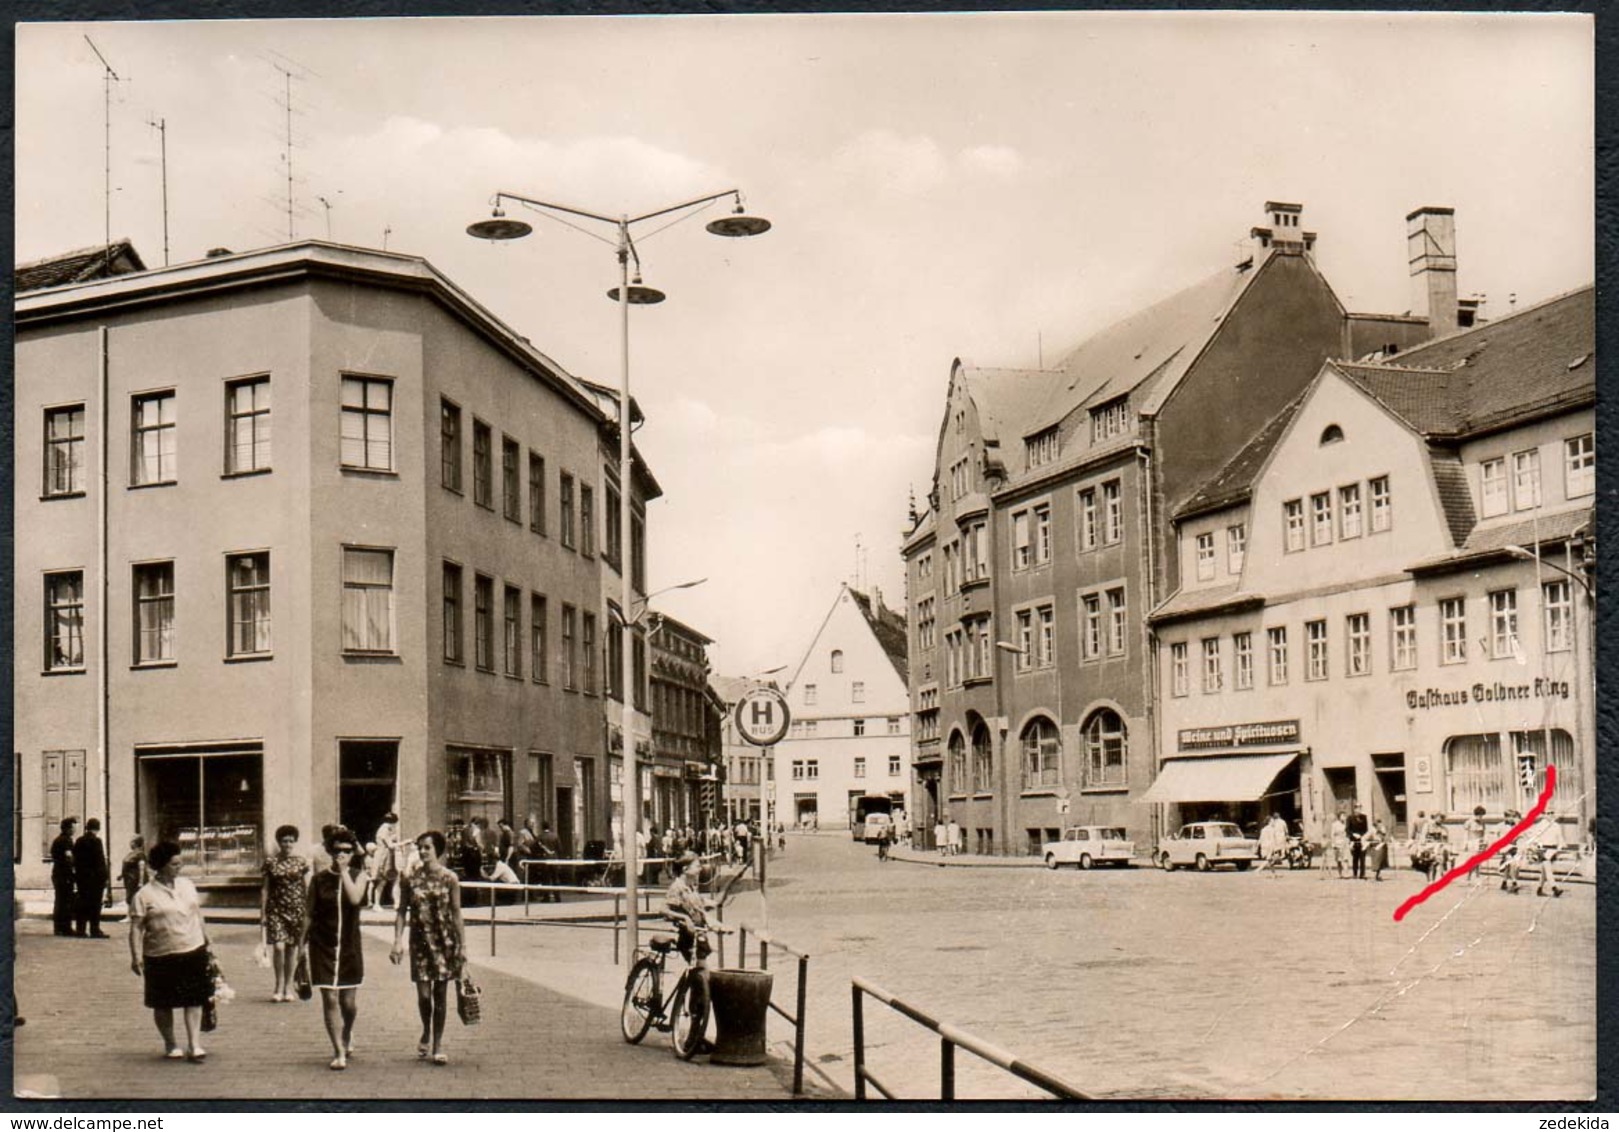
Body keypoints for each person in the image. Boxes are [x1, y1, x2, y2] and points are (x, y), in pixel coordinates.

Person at [128, 839, 211, 1061]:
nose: (179, 867)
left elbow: (197, 914)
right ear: (161, 866)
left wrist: (206, 940)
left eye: (180, 863)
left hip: (193, 948)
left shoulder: (187, 885)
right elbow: (136, 928)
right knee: (163, 1002)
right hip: (160, 954)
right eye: (174, 864)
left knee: (194, 998)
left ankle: (194, 1044)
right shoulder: (144, 895)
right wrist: (136, 956)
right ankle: (171, 1043)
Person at [392, 830, 467, 1066]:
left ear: (438, 850)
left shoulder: (450, 878)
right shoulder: (410, 878)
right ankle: (426, 1028)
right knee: (424, 996)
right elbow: (402, 911)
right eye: (420, 847)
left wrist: (463, 946)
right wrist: (397, 941)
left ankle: (438, 1044)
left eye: (427, 847)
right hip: (420, 942)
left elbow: (456, 913)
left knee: (441, 995)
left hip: (445, 942)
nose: (423, 851)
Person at [304, 826, 369, 1070]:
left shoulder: (359, 875)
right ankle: (338, 1051)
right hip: (322, 945)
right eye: (338, 850)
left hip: (349, 946)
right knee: (330, 998)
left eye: (348, 851)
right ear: (330, 852)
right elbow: (309, 914)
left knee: (348, 1004)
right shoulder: (319, 879)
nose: (342, 854)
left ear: (353, 853)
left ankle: (347, 1031)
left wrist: (343, 873)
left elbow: (354, 899)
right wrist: (301, 945)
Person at [260, 824, 310, 1003]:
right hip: (276, 910)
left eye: (290, 841)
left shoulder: (301, 862)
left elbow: (305, 887)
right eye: (284, 841)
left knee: (291, 949)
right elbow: (265, 889)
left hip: (297, 910)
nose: (287, 844)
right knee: (279, 947)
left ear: (294, 842)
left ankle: (288, 987)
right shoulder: (271, 862)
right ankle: (278, 985)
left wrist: (308, 911)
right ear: (279, 842)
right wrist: (263, 913)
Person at [73, 818, 110, 938]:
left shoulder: (79, 841)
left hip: (82, 878)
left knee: (82, 903)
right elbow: (100, 861)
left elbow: (76, 860)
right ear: (97, 828)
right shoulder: (96, 841)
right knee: (95, 905)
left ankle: (81, 930)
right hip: (95, 879)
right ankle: (95, 929)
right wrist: (105, 877)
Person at [50, 818, 77, 937]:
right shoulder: (66, 841)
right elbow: (69, 857)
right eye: (73, 827)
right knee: (66, 901)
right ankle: (66, 927)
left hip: (57, 873)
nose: (74, 830)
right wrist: (74, 868)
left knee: (59, 900)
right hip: (64, 874)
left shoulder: (57, 840)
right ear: (67, 828)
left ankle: (58, 927)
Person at [374, 813, 402, 910]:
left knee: (394, 879)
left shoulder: (385, 829)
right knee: (383, 880)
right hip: (384, 857)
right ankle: (376, 904)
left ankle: (397, 902)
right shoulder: (385, 829)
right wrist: (404, 843)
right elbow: (390, 845)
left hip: (388, 857)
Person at [121, 836, 149, 908]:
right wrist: (121, 875)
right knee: (130, 897)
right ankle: (129, 914)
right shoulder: (131, 854)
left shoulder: (140, 854)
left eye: (132, 842)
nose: (130, 844)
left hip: (135, 879)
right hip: (129, 880)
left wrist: (141, 882)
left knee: (135, 898)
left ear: (136, 843)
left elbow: (142, 868)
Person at [1346, 807, 1370, 880]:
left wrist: (1361, 835)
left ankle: (1362, 874)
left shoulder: (1364, 817)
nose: (1358, 810)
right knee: (1355, 858)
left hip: (1362, 840)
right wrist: (1353, 834)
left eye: (1359, 809)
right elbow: (1347, 829)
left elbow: (1366, 829)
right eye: (1356, 809)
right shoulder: (1350, 818)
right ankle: (1355, 874)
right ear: (1354, 810)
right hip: (1353, 841)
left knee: (1362, 858)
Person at [1322, 811, 1347, 879]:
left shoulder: (1345, 825)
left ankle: (1345, 873)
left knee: (1345, 859)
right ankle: (1339, 873)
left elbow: (1346, 834)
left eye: (1345, 816)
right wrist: (1333, 844)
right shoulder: (1335, 824)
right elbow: (1332, 834)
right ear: (1339, 817)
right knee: (1338, 859)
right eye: (1343, 816)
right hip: (1337, 843)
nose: (1344, 817)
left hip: (1344, 843)